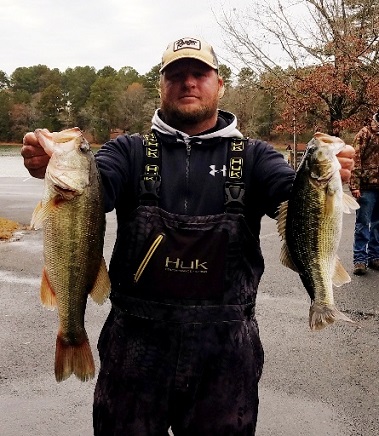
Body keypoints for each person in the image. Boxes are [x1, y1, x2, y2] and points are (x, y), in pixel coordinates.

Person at [21, 37, 354, 436]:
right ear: (161, 87)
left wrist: (325, 180)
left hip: (226, 352)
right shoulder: (126, 152)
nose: (189, 83)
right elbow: (94, 187)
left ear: (220, 84)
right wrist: (49, 165)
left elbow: (297, 201)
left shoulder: (255, 156)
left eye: (199, 73)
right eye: (176, 75)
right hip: (134, 348)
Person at [349, 111, 379, 276]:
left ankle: (374, 257)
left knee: (378, 225)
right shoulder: (365, 133)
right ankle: (359, 259)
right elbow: (355, 159)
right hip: (367, 187)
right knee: (363, 224)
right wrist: (354, 186)